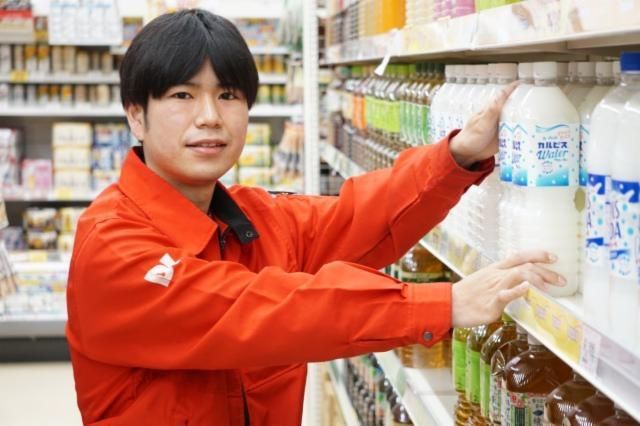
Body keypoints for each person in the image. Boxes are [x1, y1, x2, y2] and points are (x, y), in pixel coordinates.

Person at [66, 9, 565, 425]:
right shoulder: (113, 246)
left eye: (228, 95)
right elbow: (262, 312)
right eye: (182, 95)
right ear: (136, 114)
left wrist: (458, 156)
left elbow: (357, 216)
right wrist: (440, 304)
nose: (210, 116)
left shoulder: (252, 219)